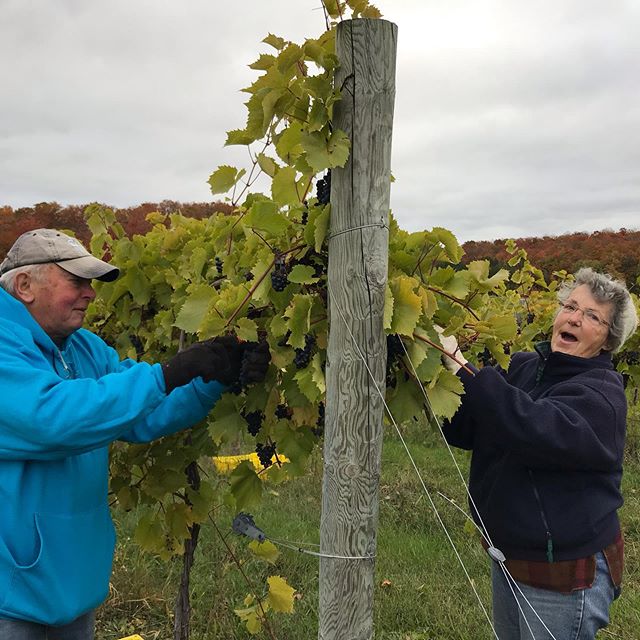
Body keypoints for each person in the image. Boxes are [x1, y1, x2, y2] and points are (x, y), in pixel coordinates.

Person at [0, 229, 270, 639]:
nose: (90, 293)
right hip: (12, 595)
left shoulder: (82, 348)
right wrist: (166, 374)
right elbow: (51, 417)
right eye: (76, 281)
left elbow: (141, 414)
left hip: (73, 583)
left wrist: (212, 378)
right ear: (24, 286)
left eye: (90, 283)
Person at [439, 267, 638, 640]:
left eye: (592, 316)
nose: (574, 318)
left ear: (607, 341)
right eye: (571, 306)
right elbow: (477, 426)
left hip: (563, 574)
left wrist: (463, 366)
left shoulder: (601, 396)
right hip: (510, 558)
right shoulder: (527, 367)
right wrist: (437, 378)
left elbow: (531, 427)